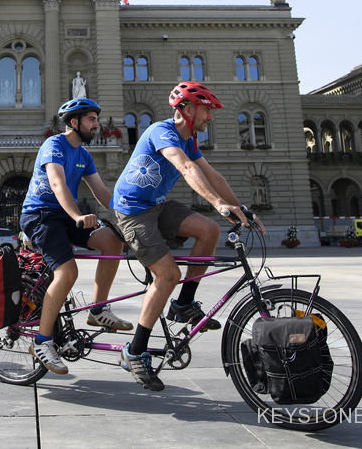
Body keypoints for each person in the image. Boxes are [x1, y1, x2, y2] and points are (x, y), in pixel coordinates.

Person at [107, 82, 259, 392]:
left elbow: (213, 175)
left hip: (157, 206)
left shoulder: (190, 140)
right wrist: (217, 203)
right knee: (168, 274)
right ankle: (135, 351)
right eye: (206, 111)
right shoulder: (162, 132)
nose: (210, 118)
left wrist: (241, 208)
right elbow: (185, 167)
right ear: (187, 111)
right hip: (132, 211)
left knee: (209, 231)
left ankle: (183, 305)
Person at [21, 98, 131, 376]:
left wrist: (132, 220)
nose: (97, 125)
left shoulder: (84, 155)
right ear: (74, 123)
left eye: (96, 119)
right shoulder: (54, 145)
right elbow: (57, 183)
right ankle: (43, 342)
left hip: (66, 216)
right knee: (67, 272)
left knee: (112, 241)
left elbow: (103, 194)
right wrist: (77, 215)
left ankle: (97, 310)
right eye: (92, 120)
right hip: (41, 215)